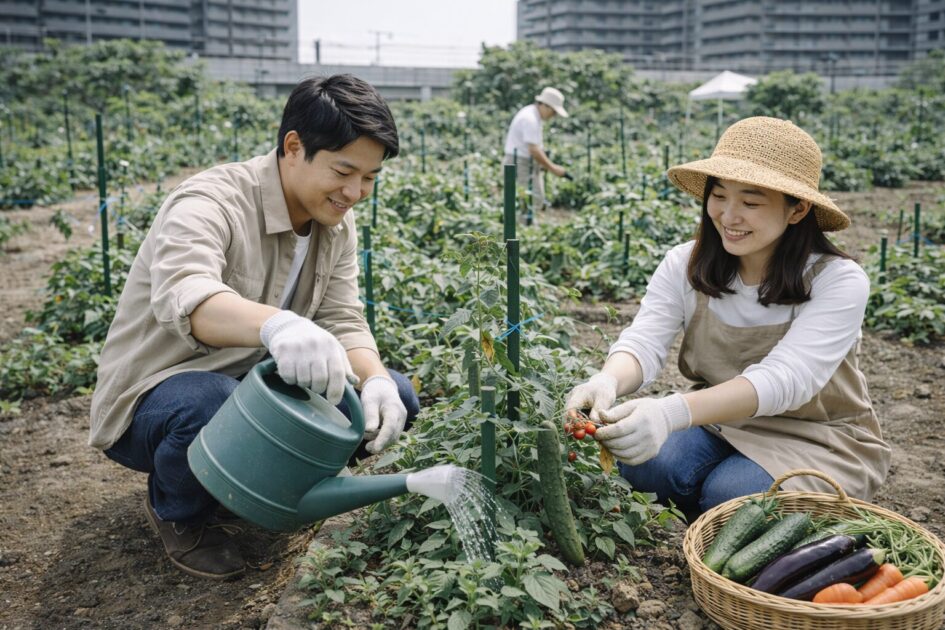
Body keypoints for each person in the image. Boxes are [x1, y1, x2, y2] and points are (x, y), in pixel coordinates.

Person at [89, 74, 420, 580]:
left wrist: (373, 378)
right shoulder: (210, 201)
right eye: (344, 171)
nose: (356, 193)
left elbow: (341, 318)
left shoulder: (334, 221)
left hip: (250, 387)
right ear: (293, 147)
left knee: (394, 394)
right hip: (156, 397)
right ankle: (178, 511)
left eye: (370, 177)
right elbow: (189, 295)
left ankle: (248, 482)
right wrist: (278, 325)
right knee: (211, 403)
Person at [566, 116, 890, 520]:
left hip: (819, 435)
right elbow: (644, 341)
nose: (728, 216)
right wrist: (608, 380)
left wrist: (671, 412)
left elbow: (785, 380)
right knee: (647, 466)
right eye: (719, 196)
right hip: (719, 420)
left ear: (797, 210)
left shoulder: (838, 280)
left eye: (751, 202)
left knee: (732, 494)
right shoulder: (685, 263)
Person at [503, 86, 570, 214]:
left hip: (523, 162)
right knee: (530, 201)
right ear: (545, 106)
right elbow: (533, 149)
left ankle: (524, 228)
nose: (554, 115)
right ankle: (522, 230)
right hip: (519, 163)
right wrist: (553, 168)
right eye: (554, 111)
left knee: (530, 201)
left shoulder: (532, 114)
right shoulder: (530, 119)